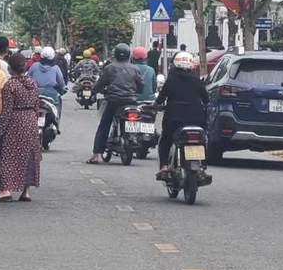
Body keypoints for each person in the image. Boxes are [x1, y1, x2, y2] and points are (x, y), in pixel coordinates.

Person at [0, 53, 42, 201]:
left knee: (8, 155)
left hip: (15, 122)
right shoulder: (33, 83)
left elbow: (6, 110)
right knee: (29, 156)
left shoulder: (10, 85)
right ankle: (26, 192)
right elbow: (37, 106)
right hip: (30, 120)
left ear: (11, 68)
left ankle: (6, 190)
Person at [155, 52, 209, 180]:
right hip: (196, 119)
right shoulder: (197, 80)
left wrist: (156, 105)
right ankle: (202, 166)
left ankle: (163, 167)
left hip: (173, 120)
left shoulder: (171, 79)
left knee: (165, 140)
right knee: (202, 141)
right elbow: (206, 99)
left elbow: (161, 98)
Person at [87, 43, 143, 164]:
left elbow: (100, 84)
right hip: (131, 101)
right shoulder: (135, 69)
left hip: (114, 101)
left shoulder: (110, 68)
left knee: (104, 125)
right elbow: (141, 86)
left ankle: (96, 155)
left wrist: (95, 91)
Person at [28, 46, 66, 117]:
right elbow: (61, 82)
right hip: (51, 95)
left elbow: (28, 78)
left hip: (35, 93)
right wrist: (63, 88)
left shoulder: (34, 66)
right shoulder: (55, 68)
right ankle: (56, 120)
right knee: (58, 104)